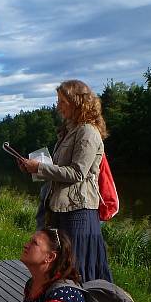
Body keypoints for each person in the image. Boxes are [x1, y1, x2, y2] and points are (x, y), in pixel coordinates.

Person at [19, 80, 112, 282]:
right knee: (63, 267)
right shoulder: (70, 131)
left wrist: (41, 167)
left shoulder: (87, 132)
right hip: (63, 210)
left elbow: (77, 173)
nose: (58, 106)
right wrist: (34, 169)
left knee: (77, 269)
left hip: (79, 213)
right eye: (58, 101)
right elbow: (61, 172)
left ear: (77, 102)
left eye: (62, 101)